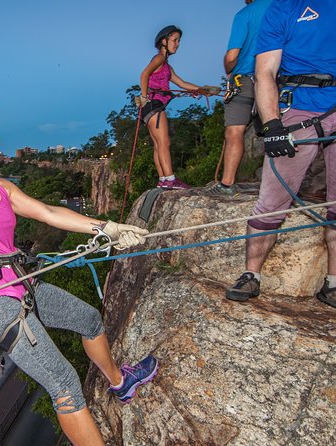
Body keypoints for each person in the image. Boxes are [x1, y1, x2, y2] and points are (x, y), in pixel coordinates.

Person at [0, 99, 159, 445]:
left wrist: (106, 227)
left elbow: (49, 212)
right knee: (64, 382)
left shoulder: (2, 188)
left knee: (90, 319)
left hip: (23, 285)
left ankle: (119, 383)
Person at [225, 0, 336, 309]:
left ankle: (333, 283)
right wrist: (272, 124)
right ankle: (251, 274)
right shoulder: (284, 8)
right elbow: (265, 71)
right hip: (299, 104)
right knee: (272, 202)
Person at [137, 25, 218, 190]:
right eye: (174, 40)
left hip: (149, 108)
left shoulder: (166, 66)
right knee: (164, 142)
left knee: (158, 144)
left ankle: (163, 179)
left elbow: (182, 84)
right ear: (164, 41)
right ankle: (170, 179)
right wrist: (144, 98)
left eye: (178, 40)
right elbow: (144, 74)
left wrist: (202, 90)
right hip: (154, 105)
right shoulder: (159, 58)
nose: (177, 43)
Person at [205, 0, 272, 196]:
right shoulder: (282, 7)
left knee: (234, 132)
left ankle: (227, 184)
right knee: (274, 130)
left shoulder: (245, 14)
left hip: (243, 80)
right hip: (275, 79)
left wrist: (227, 67)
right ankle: (275, 184)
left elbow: (232, 56)